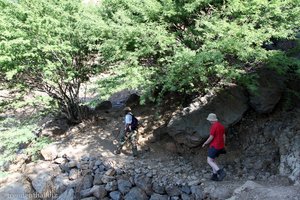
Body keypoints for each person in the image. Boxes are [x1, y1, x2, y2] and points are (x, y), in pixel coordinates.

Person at [202, 113, 226, 181]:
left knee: (209, 161)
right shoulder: (221, 126)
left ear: (211, 120)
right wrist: (223, 144)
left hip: (215, 146)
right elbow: (224, 136)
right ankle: (214, 176)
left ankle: (220, 172)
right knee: (212, 160)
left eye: (209, 120)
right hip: (220, 146)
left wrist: (205, 143)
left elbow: (211, 137)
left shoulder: (214, 126)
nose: (209, 121)